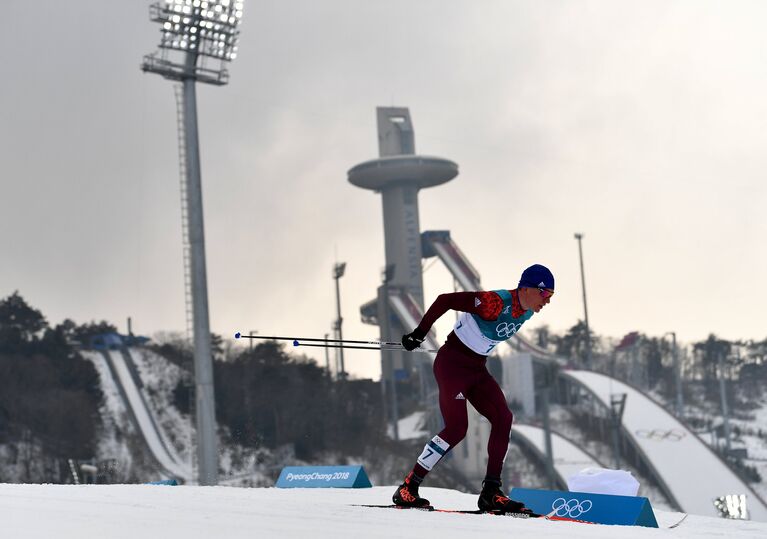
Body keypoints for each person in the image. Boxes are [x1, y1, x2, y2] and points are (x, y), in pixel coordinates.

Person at [392, 264, 555, 513]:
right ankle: (408, 488)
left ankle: (491, 492)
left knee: (503, 418)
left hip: (477, 369)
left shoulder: (528, 310)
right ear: (528, 288)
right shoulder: (494, 303)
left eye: (551, 297)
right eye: (545, 295)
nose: (547, 302)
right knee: (457, 428)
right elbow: (444, 301)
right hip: (452, 366)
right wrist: (419, 334)